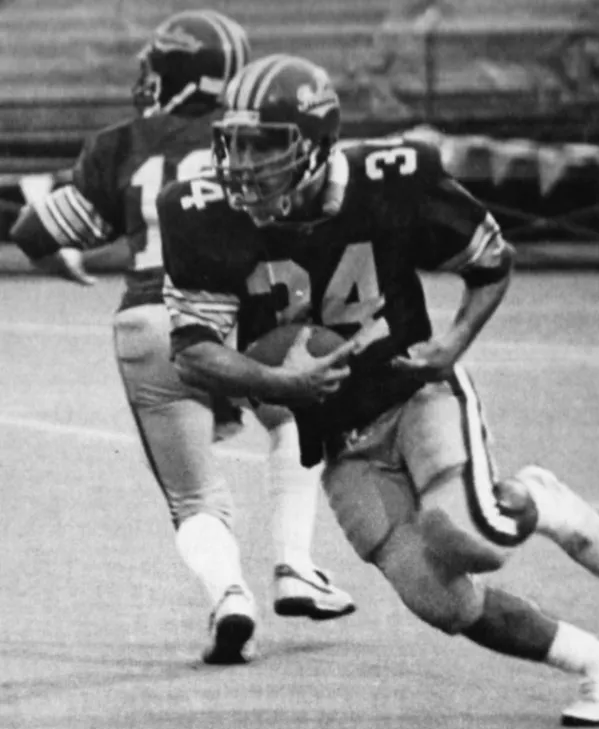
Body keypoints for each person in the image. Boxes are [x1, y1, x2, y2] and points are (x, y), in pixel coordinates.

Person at [157, 52, 599, 723]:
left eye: (264, 143)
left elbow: (491, 261)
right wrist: (278, 382)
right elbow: (191, 353)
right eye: (232, 142)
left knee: (468, 532)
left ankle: (536, 498)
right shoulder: (200, 210)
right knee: (441, 600)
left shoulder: (393, 177)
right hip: (339, 440)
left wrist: (453, 343)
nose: (242, 163)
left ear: (319, 143)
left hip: (413, 391)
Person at [9, 13, 355, 666]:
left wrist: (65, 265)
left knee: (194, 495)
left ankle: (230, 597)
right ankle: (295, 562)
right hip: (245, 318)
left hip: (151, 319)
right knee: (296, 418)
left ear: (173, 72)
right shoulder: (254, 139)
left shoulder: (120, 144)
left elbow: (32, 231)